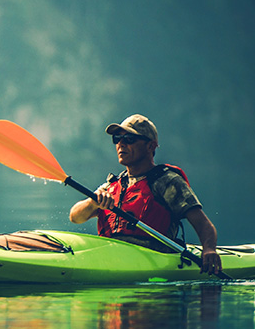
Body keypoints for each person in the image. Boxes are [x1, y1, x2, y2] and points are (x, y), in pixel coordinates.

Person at [69, 114, 222, 275]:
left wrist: (209, 250)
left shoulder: (167, 181)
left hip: (153, 258)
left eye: (129, 139)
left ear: (151, 146)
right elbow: (75, 217)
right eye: (117, 139)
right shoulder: (112, 185)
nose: (121, 144)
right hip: (111, 254)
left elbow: (203, 224)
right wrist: (93, 203)